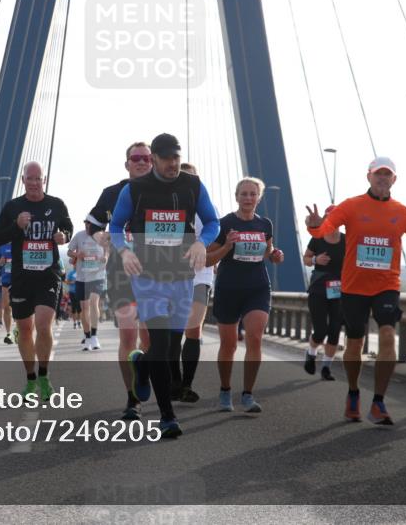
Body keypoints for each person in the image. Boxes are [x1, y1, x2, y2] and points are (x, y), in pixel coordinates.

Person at [305, 156, 406, 426]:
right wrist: (314, 224)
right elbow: (324, 229)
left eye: (388, 175)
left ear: (394, 179)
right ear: (368, 177)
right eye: (378, 174)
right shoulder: (351, 206)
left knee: (387, 336)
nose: (383, 179)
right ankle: (353, 393)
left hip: (387, 285)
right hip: (353, 286)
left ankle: (379, 401)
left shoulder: (402, 212)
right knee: (356, 342)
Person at [110, 133, 220, 438]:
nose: (173, 163)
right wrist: (125, 250)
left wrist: (201, 244)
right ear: (155, 159)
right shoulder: (135, 189)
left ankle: (142, 367)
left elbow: (213, 222)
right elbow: (116, 226)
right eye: (167, 158)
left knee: (172, 347)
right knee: (159, 343)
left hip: (182, 277)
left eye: (176, 157)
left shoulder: (193, 185)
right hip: (148, 277)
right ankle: (167, 417)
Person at [0, 162, 73, 402]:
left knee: (43, 323)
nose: (35, 183)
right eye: (30, 178)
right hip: (21, 276)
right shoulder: (13, 207)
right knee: (25, 330)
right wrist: (16, 225)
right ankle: (30, 379)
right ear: (23, 180)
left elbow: (68, 226)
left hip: (48, 274)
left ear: (44, 180)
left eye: (39, 179)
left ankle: (45, 375)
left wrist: (64, 236)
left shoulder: (56, 205)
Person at [87, 141, 154, 420]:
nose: (141, 162)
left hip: (157, 273)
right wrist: (99, 237)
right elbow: (92, 223)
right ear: (126, 163)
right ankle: (132, 400)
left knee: (150, 338)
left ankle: (145, 375)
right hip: (120, 272)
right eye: (135, 158)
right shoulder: (112, 193)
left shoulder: (165, 192)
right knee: (128, 333)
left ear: (153, 162)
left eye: (146, 158)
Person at [206, 177, 285, 413]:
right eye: (244, 194)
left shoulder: (265, 225)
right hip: (228, 288)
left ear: (258, 198)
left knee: (255, 338)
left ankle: (248, 395)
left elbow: (269, 252)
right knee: (228, 345)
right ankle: (225, 390)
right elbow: (209, 259)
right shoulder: (225, 223)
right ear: (236, 196)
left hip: (257, 287)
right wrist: (227, 247)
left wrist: (275, 256)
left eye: (253, 194)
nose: (248, 198)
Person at [170, 162, 215, 402]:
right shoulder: (168, 205)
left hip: (200, 275)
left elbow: (215, 232)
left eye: (192, 178)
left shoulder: (207, 207)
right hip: (172, 275)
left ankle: (186, 385)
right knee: (174, 331)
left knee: (193, 328)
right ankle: (175, 382)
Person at [302, 206, 346, 381]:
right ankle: (311, 353)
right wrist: (315, 260)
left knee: (335, 330)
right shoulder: (317, 238)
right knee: (320, 330)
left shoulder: (347, 240)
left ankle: (326, 367)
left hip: (339, 290)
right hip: (319, 289)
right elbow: (306, 259)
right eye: (330, 217)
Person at [67, 220, 109, 351]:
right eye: (85, 224)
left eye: (90, 224)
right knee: (84, 307)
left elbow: (107, 250)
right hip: (82, 276)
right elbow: (69, 251)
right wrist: (76, 254)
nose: (87, 227)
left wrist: (106, 257)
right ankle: (88, 336)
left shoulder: (102, 236)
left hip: (98, 275)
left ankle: (95, 336)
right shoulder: (79, 236)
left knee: (94, 303)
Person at [0, 243, 14, 343]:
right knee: (7, 307)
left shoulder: (21, 242)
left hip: (19, 279)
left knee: (19, 307)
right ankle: (9, 333)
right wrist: (0, 261)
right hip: (6, 279)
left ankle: (18, 330)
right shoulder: (2, 247)